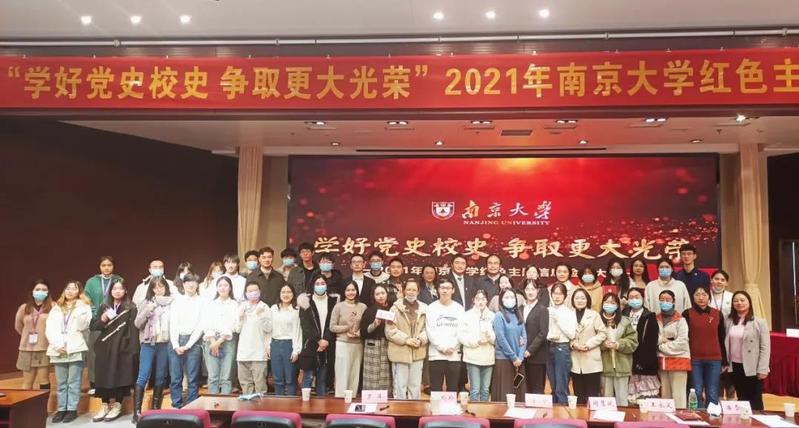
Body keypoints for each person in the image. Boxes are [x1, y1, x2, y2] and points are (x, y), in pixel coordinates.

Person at [90, 280, 138, 422]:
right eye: (115, 288)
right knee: (103, 375)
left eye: (120, 288)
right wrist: (102, 319)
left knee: (119, 375)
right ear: (110, 291)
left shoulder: (131, 307)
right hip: (105, 346)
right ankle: (104, 405)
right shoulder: (104, 306)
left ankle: (117, 405)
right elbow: (93, 326)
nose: (117, 291)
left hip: (122, 347)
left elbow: (134, 330)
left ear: (125, 291)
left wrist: (132, 349)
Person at [45, 280, 92, 424]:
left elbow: (83, 326)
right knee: (61, 383)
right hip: (58, 349)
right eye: (68, 288)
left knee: (73, 382)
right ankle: (61, 409)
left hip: (75, 348)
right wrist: (57, 345)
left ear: (79, 292)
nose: (70, 291)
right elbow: (49, 328)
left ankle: (71, 409)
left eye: (74, 289)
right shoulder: (56, 308)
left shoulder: (84, 307)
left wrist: (80, 308)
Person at [132, 277, 173, 423]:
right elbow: (137, 323)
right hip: (148, 343)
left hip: (165, 343)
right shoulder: (146, 302)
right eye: (155, 287)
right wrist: (148, 311)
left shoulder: (172, 303)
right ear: (151, 289)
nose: (158, 290)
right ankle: (137, 412)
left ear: (166, 287)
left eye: (161, 286)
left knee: (161, 376)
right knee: (143, 375)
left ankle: (156, 409)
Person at [724, 290, 770, 410]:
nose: (739, 303)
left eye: (742, 300)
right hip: (735, 365)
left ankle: (757, 420)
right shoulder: (728, 321)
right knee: (742, 398)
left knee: (755, 399)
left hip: (753, 366)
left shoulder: (759, 322)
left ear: (749, 302)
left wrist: (763, 368)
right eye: (736, 301)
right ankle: (743, 420)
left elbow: (765, 347)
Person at [84, 256, 124, 394]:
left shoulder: (119, 280)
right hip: (96, 322)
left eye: (109, 265)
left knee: (113, 352)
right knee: (94, 353)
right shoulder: (91, 282)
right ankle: (94, 383)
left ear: (113, 266)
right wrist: (96, 312)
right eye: (103, 265)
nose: (106, 268)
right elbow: (86, 300)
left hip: (114, 321)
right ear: (100, 267)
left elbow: (123, 298)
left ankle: (112, 382)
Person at [682, 284, 726, 408]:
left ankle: (712, 416)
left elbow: (721, 338)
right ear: (693, 297)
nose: (701, 298)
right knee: (696, 390)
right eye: (697, 295)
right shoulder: (687, 314)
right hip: (694, 359)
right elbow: (684, 337)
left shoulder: (717, 314)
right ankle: (698, 416)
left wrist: (724, 360)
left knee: (712, 391)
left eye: (704, 294)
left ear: (709, 296)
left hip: (714, 359)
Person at [385, 279, 428, 399]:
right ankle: (399, 410)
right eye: (408, 289)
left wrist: (420, 339)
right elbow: (390, 330)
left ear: (418, 291)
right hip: (400, 351)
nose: (411, 292)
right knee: (400, 386)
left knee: (415, 385)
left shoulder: (424, 308)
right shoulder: (394, 308)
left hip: (418, 351)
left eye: (414, 290)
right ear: (403, 291)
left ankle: (414, 409)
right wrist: (406, 340)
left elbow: (428, 328)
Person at [168, 273, 204, 409]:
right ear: (183, 284)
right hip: (176, 341)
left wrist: (188, 345)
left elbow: (201, 326)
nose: (191, 284)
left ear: (197, 285)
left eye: (194, 282)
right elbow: (173, 324)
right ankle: (176, 406)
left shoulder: (202, 301)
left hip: (194, 342)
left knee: (193, 378)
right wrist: (176, 345)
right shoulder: (177, 301)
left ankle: (192, 408)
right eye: (188, 282)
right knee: (175, 378)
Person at [298, 276, 338, 396]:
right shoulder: (305, 301)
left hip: (327, 345)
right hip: (311, 344)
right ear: (313, 285)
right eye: (317, 283)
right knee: (308, 378)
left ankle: (321, 405)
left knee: (322, 379)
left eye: (323, 283)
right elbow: (305, 324)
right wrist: (318, 340)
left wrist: (325, 339)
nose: (320, 286)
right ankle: (305, 404)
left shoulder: (334, 301)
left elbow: (334, 322)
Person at [622, 287, 661, 405]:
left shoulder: (649, 316)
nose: (634, 300)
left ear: (643, 298)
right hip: (625, 358)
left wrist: (643, 361)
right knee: (626, 399)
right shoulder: (623, 314)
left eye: (637, 297)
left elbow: (651, 342)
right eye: (631, 297)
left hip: (643, 361)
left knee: (644, 400)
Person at [599, 293, 638, 406]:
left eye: (612, 302)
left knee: (622, 401)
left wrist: (618, 344)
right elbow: (592, 340)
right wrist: (603, 344)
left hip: (622, 366)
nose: (609, 305)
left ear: (617, 305)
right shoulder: (597, 320)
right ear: (602, 304)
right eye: (607, 302)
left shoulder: (625, 321)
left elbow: (633, 342)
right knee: (606, 401)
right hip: (604, 366)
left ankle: (623, 418)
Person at [426, 278, 465, 392]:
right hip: (436, 355)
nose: (445, 291)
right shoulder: (431, 308)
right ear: (438, 290)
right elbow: (430, 331)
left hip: (454, 355)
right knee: (435, 390)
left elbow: (461, 331)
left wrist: (452, 347)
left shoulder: (459, 308)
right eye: (442, 288)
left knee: (452, 389)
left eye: (448, 288)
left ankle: (451, 406)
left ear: (453, 290)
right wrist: (442, 348)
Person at [329, 281, 366, 397]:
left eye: (353, 290)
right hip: (342, 343)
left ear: (357, 291)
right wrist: (347, 327)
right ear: (344, 292)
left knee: (354, 374)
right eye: (348, 290)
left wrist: (358, 333)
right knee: (342, 374)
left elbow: (365, 326)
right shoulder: (338, 306)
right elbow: (332, 327)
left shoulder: (363, 307)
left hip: (358, 344)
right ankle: (340, 400)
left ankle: (352, 399)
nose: (351, 292)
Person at [570, 288, 607, 404]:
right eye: (577, 298)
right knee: (579, 397)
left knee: (592, 397)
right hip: (575, 361)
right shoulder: (569, 315)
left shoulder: (594, 315)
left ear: (587, 300)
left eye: (583, 298)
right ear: (573, 300)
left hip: (591, 360)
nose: (579, 300)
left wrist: (588, 345)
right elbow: (565, 334)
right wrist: (574, 344)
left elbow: (602, 333)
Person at [203, 276, 239, 394]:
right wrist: (213, 341)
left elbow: (233, 324)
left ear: (230, 288)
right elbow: (206, 323)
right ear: (217, 288)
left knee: (226, 377)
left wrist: (220, 341)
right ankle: (213, 404)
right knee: (213, 377)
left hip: (228, 341)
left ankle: (225, 403)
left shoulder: (234, 304)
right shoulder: (211, 304)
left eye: (225, 285)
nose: (223, 288)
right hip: (211, 340)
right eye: (220, 285)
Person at [15, 279, 53, 391]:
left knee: (44, 380)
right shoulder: (24, 308)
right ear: (32, 291)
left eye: (44, 290)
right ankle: (26, 402)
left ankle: (43, 402)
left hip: (44, 348)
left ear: (48, 292)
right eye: (37, 289)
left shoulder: (53, 307)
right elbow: (18, 326)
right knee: (27, 382)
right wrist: (27, 336)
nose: (40, 292)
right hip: (26, 349)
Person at [236, 281, 273, 395]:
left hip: (259, 354)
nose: (253, 293)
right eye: (250, 291)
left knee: (260, 386)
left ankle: (261, 407)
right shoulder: (242, 307)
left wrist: (261, 316)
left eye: (255, 290)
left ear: (260, 292)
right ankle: (247, 406)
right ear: (246, 293)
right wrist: (240, 317)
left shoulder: (264, 307)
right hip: (243, 354)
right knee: (246, 385)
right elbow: (237, 329)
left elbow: (269, 329)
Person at [656, 289, 691, 408]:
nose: (664, 302)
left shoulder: (681, 320)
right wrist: (663, 340)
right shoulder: (655, 319)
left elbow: (682, 342)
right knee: (665, 395)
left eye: (668, 300)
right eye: (662, 300)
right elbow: (653, 338)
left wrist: (661, 346)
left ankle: (680, 417)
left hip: (679, 361)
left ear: (674, 301)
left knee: (678, 395)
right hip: (662, 362)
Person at [458, 289, 495, 401]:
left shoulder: (493, 316)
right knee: (475, 389)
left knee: (485, 389)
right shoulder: (466, 315)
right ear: (473, 300)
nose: (480, 302)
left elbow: (497, 338)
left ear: (487, 300)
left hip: (488, 357)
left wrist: (490, 337)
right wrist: (476, 341)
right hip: (472, 357)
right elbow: (461, 336)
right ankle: (474, 411)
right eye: (478, 299)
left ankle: (483, 411)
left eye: (483, 299)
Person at [491, 288, 527, 402]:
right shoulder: (499, 316)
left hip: (519, 361)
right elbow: (501, 339)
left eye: (512, 297)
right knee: (505, 394)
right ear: (501, 300)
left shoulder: (518, 315)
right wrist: (514, 357)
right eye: (506, 297)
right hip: (504, 359)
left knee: (518, 394)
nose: (510, 299)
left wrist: (520, 357)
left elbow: (524, 337)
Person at [547, 283, 576, 404]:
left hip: (562, 348)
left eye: (560, 294)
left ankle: (563, 411)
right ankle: (554, 411)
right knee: (553, 385)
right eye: (555, 293)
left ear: (565, 296)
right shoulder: (547, 310)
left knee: (561, 386)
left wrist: (558, 320)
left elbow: (571, 334)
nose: (557, 296)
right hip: (548, 347)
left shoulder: (569, 312)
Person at [360, 284, 393, 392]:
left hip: (387, 346)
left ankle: (385, 398)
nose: (381, 296)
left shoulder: (391, 310)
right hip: (372, 347)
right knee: (371, 378)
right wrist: (374, 324)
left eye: (383, 293)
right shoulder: (369, 311)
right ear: (373, 296)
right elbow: (363, 332)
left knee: (385, 376)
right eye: (377, 294)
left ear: (387, 294)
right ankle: (370, 399)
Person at [271, 284, 302, 396]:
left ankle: (290, 404)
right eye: (283, 292)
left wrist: (296, 350)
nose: (286, 294)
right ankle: (279, 404)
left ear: (293, 294)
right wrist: (268, 346)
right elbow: (269, 329)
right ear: (279, 294)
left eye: (289, 292)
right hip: (275, 344)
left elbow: (297, 331)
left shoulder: (296, 310)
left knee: (290, 379)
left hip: (289, 345)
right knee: (277, 379)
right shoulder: (273, 308)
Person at [708, 270, 735, 399]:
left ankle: (730, 397)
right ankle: (717, 398)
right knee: (715, 373)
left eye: (722, 280)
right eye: (716, 279)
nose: (719, 282)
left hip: (729, 336)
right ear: (711, 280)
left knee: (729, 371)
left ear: (726, 283)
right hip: (712, 337)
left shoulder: (732, 297)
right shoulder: (705, 296)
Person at [522, 280, 549, 394]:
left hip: (537, 356)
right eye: (527, 289)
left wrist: (530, 350)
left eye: (533, 289)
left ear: (538, 291)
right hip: (522, 356)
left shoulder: (543, 309)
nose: (530, 292)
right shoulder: (520, 308)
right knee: (525, 389)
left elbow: (543, 333)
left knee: (536, 390)